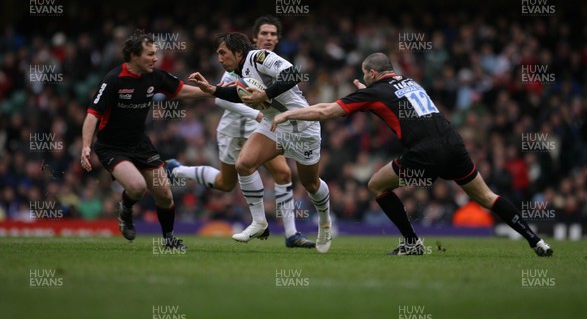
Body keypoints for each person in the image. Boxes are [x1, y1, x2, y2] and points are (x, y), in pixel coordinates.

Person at [270, 52, 553, 257]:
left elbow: (324, 111)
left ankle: (412, 242)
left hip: (426, 151)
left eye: (364, 73)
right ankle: (536, 241)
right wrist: (366, 94)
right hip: (453, 143)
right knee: (488, 197)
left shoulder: (375, 91)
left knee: (375, 185)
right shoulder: (410, 82)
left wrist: (289, 113)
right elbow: (387, 99)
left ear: (370, 73)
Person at [166, 16, 315, 248]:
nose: (269, 38)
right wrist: (255, 113)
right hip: (232, 130)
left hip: (261, 128)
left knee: (283, 173)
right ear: (254, 38)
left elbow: (289, 80)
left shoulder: (267, 63)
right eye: (264, 33)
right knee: (225, 183)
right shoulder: (236, 67)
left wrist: (266, 110)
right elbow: (222, 100)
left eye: (273, 34)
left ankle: (290, 233)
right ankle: (178, 171)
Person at [188, 32, 332, 253]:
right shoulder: (236, 73)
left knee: (310, 184)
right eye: (218, 54)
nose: (219, 58)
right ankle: (259, 222)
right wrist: (213, 90)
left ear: (238, 53)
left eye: (222, 53)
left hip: (302, 125)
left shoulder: (259, 57)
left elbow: (293, 74)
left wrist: (264, 95)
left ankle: (325, 222)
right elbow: (240, 95)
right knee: (244, 164)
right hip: (273, 124)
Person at [81, 29, 211, 249]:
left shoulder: (155, 76)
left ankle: (169, 240)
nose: (155, 58)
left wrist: (213, 91)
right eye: (150, 54)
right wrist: (85, 146)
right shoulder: (114, 79)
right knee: (138, 187)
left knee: (165, 194)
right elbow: (93, 114)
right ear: (134, 56)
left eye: (155, 53)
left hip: (139, 144)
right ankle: (125, 209)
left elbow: (181, 91)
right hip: (111, 147)